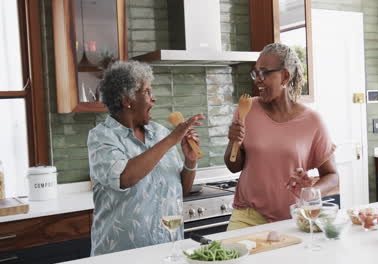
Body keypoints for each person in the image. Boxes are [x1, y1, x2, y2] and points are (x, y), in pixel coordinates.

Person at [87, 61, 205, 255]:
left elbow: (181, 190)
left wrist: (190, 161)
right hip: (122, 255)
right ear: (128, 99)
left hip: (168, 250)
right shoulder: (102, 137)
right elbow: (124, 177)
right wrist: (172, 139)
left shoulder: (160, 133)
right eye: (147, 91)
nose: (154, 98)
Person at [224, 43, 339, 230]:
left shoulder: (312, 121)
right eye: (255, 73)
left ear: (285, 76)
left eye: (264, 73)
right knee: (231, 258)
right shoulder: (247, 109)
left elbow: (332, 176)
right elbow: (233, 166)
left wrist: (311, 192)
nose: (257, 80)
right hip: (247, 215)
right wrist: (233, 142)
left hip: (293, 218)